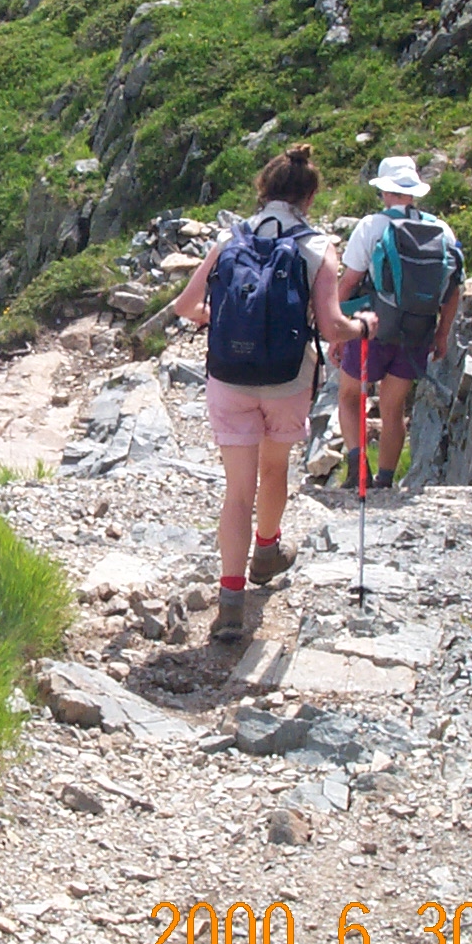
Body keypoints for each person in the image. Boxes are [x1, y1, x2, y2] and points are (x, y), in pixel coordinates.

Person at [171, 145, 378, 644]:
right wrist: (365, 326)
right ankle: (267, 551)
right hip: (288, 378)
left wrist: (220, 320)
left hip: (229, 377)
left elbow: (185, 306)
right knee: (275, 468)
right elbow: (331, 327)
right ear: (309, 197)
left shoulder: (230, 239)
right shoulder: (317, 248)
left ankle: (230, 604)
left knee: (237, 491)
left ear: (263, 189)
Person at [334, 156, 465, 491]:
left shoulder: (371, 226)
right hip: (417, 331)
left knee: (350, 396)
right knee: (393, 409)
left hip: (373, 328)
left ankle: (357, 467)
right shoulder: (441, 230)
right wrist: (442, 334)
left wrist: (337, 330)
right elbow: (453, 290)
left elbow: (349, 282)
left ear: (384, 191)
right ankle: (385, 481)